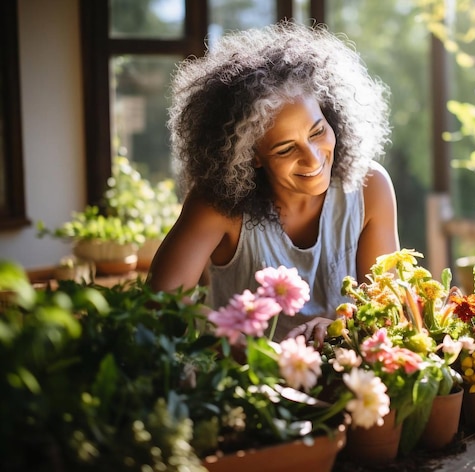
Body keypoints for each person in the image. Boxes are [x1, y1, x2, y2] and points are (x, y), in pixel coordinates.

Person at [148, 21, 400, 345]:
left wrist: (340, 328)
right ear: (250, 156)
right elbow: (156, 317)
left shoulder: (370, 187)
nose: (312, 159)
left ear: (331, 115)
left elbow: (388, 318)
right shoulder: (218, 206)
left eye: (317, 131)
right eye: (285, 148)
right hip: (247, 387)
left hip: (349, 385)